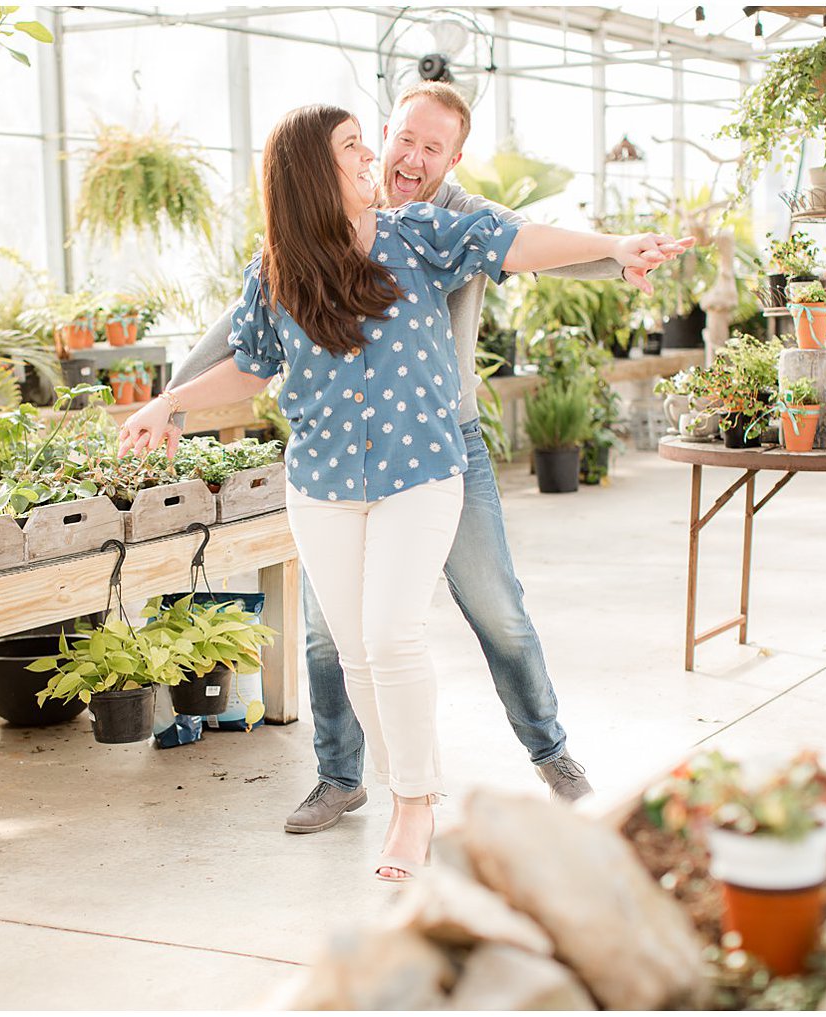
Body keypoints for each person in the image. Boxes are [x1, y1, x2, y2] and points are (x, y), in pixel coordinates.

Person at [120, 100, 684, 882]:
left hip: (422, 468)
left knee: (395, 635)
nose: (371, 160)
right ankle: (385, 788)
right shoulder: (279, 265)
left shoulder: (419, 234)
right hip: (320, 484)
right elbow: (250, 360)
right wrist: (169, 401)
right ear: (315, 171)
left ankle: (419, 804)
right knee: (351, 649)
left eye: (366, 144)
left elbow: (515, 241)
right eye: (356, 146)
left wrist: (617, 247)